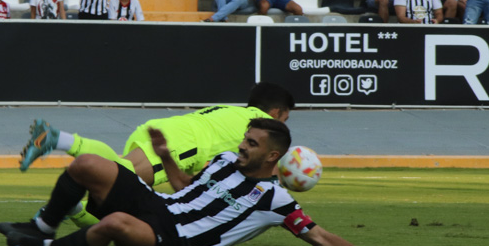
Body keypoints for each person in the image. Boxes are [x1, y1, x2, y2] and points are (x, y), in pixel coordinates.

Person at [1, 118, 415, 246]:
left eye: (251, 144)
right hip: (158, 203)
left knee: (114, 223)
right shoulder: (222, 161)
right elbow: (185, 187)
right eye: (245, 139)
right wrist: (164, 157)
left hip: (173, 238)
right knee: (86, 164)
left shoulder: (276, 200)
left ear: (272, 159)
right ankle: (42, 226)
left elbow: (320, 237)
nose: (242, 146)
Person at [18, 81, 294, 184]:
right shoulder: (263, 126)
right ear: (276, 113)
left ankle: (58, 138)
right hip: (183, 145)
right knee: (119, 185)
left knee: (117, 166)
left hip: (168, 129)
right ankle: (67, 207)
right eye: (285, 118)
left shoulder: (231, 111)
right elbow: (269, 166)